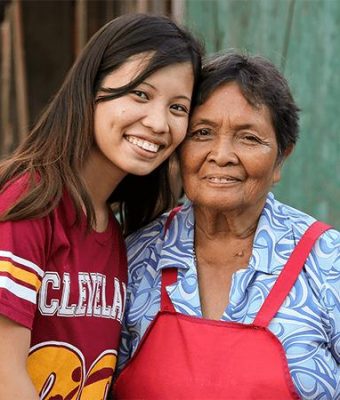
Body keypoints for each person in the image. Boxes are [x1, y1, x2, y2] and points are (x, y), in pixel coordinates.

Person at [114, 52, 340, 399]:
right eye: (202, 133)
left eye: (249, 138)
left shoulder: (328, 263)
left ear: (282, 157)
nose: (221, 154)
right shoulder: (134, 257)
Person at [0, 13, 202, 399]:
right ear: (90, 89)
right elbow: (4, 376)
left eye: (178, 108)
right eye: (140, 94)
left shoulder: (111, 230)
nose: (159, 122)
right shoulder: (30, 201)